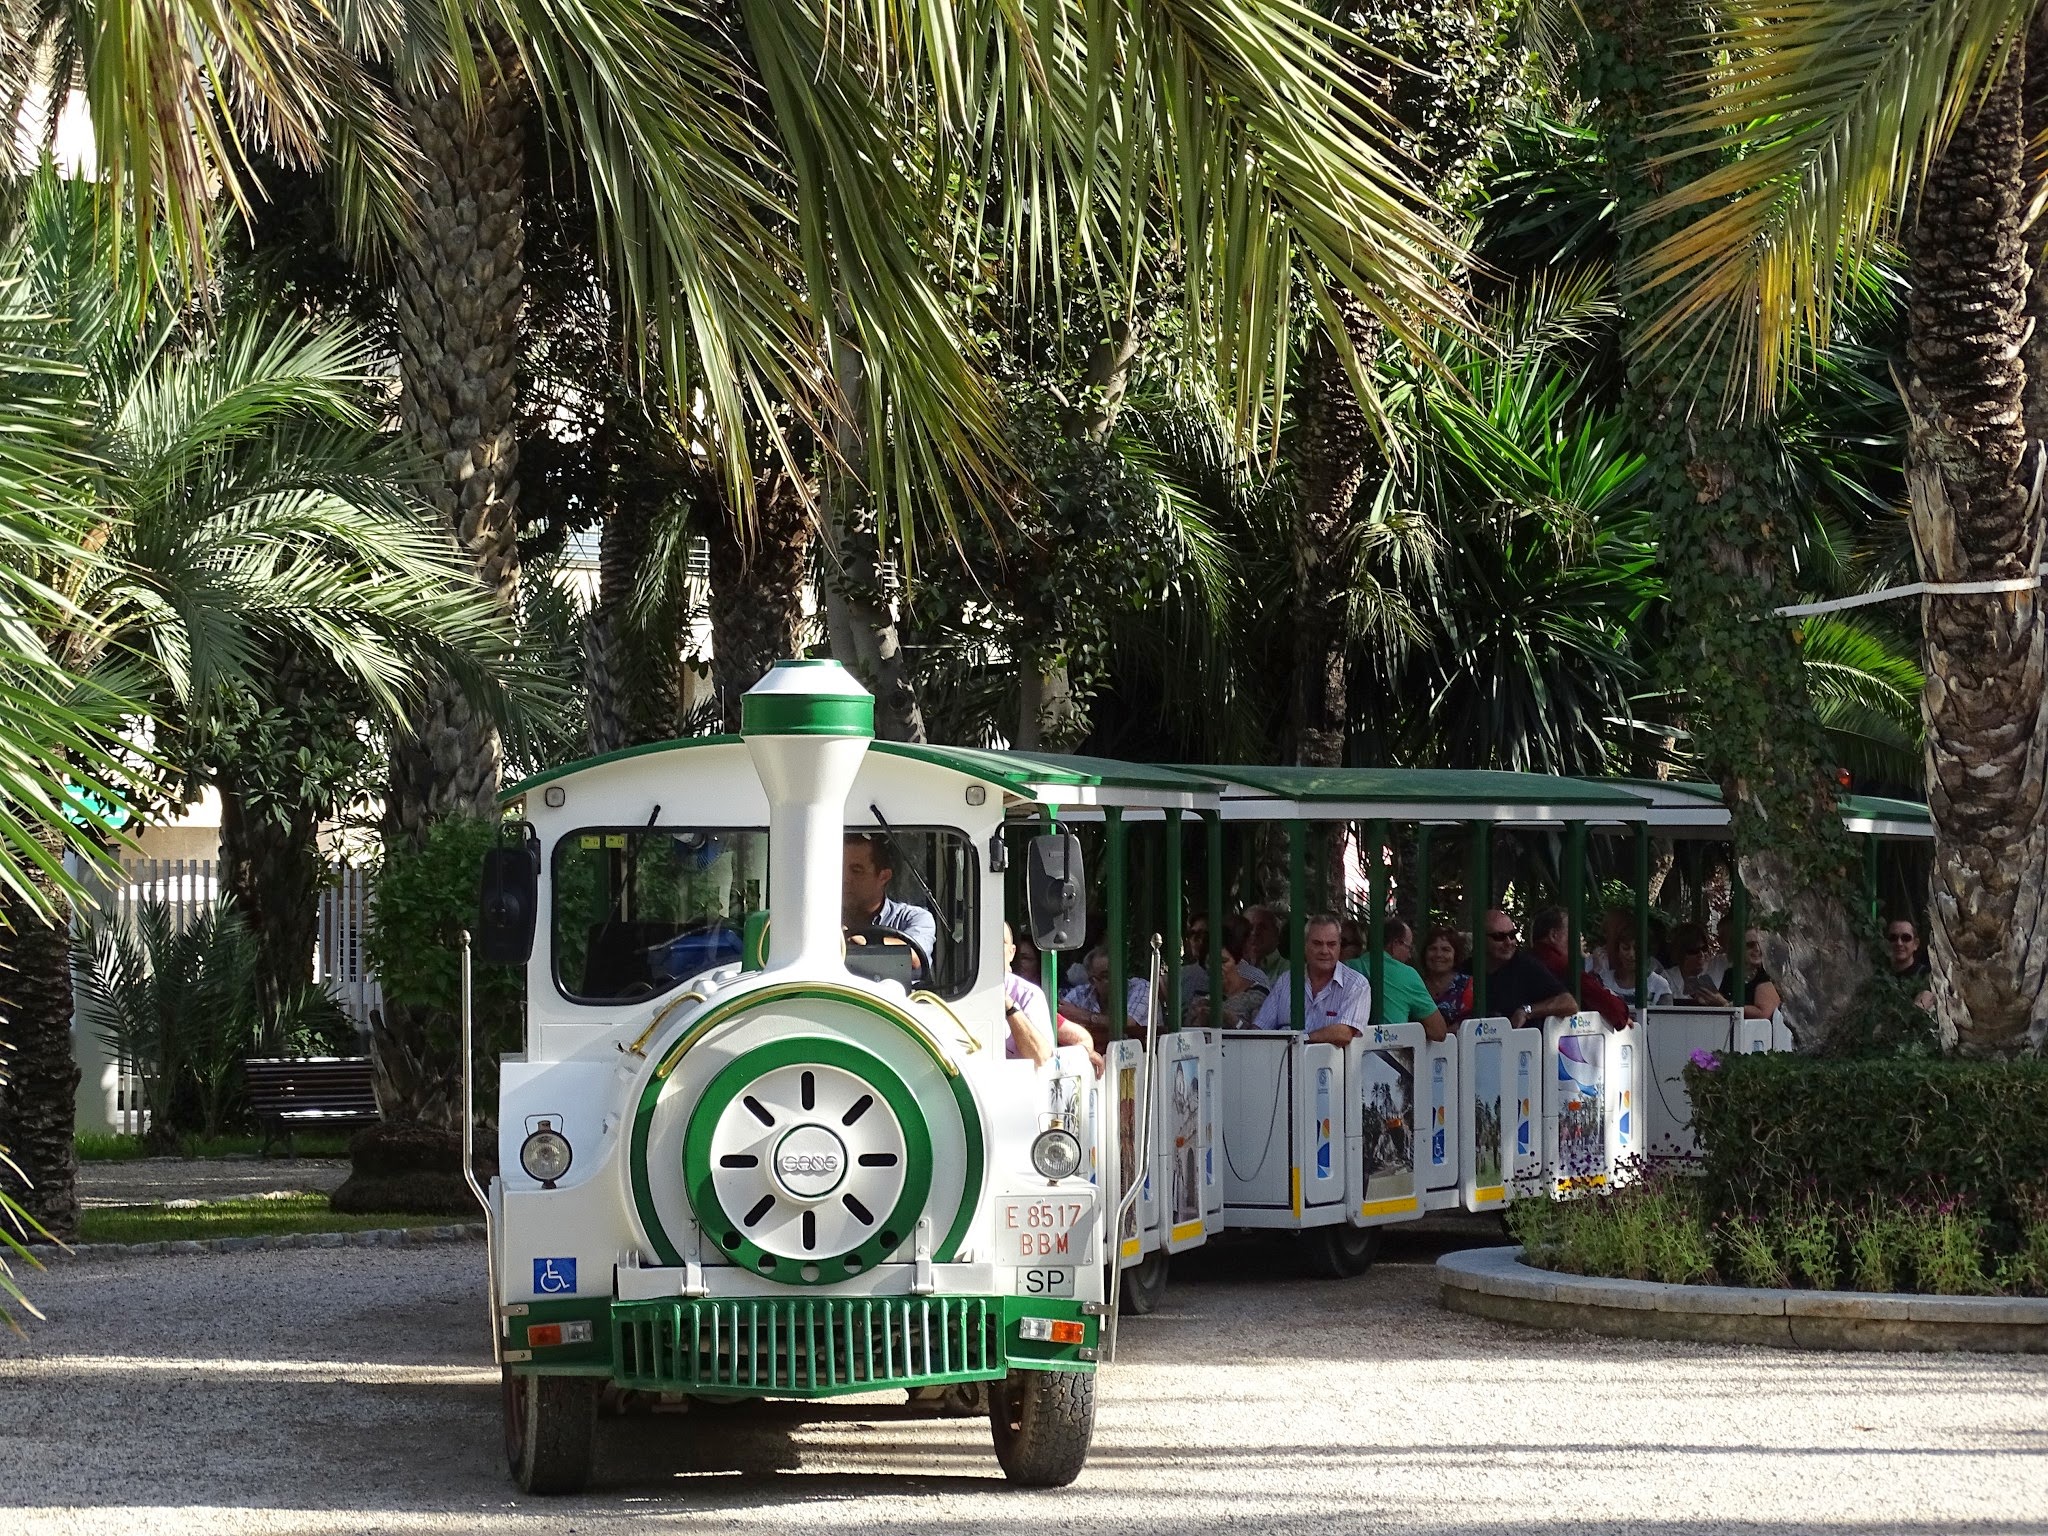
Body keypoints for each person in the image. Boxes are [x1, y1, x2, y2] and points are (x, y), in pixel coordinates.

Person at [1250, 913, 1370, 1044]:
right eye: (1317, 944)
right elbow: (1260, 1027)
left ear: (1339, 946)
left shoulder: (1356, 985)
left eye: (1331, 944)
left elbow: (1344, 1033)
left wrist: (1300, 1041)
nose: (1324, 951)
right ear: (1305, 945)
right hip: (1282, 1062)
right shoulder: (1286, 981)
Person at [1003, 923, 1100, 1072]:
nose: (993, 949)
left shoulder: (1028, 995)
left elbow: (1042, 1058)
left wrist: (1009, 1006)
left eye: (1000, 943)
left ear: (1011, 952)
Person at [1345, 917, 1450, 1042]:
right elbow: (1438, 1031)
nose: (1409, 955)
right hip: (1391, 1053)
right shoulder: (1407, 974)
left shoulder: (1347, 967)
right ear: (1395, 944)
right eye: (1409, 948)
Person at [842, 833, 937, 965]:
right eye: (840, 869)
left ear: (884, 876)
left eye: (856, 871)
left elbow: (915, 955)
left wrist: (863, 942)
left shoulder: (913, 918)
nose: (844, 879)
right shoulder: (818, 919)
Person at [1528, 906, 1628, 1028]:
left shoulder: (1528, 958)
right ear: (1554, 935)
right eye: (1574, 932)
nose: (1580, 938)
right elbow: (1614, 1010)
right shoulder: (1561, 966)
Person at [1482, 908, 1579, 1029]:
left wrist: (1527, 1011)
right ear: (1481, 939)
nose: (1508, 942)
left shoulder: (1526, 965)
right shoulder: (1467, 969)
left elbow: (1569, 1003)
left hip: (1523, 1044)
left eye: (1512, 935)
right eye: (1499, 937)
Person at [1185, 914, 1271, 1028]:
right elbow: (1187, 1035)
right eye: (1211, 963)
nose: (1217, 968)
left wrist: (1231, 1020)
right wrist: (1199, 1021)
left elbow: (1262, 1037)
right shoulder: (1200, 997)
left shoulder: (1257, 995)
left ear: (1237, 961)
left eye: (1223, 962)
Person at [1059, 947, 1154, 1048]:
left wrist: (1084, 1016)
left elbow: (1128, 1023)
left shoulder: (1142, 988)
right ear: (1092, 980)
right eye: (1107, 975)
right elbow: (1060, 1012)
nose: (1116, 978)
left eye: (1117, 972)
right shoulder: (1081, 993)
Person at [1592, 910, 1672, 1012]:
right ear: (1617, 949)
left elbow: (1666, 1021)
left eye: (1637, 949)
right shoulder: (1603, 980)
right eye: (1626, 948)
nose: (1631, 954)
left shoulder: (1659, 986)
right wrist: (1595, 972)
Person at [1660, 922, 1733, 1006]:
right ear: (1680, 953)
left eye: (1704, 948)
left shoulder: (1719, 964)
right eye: (1693, 951)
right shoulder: (1666, 978)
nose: (1701, 955)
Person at [1417, 925, 1474, 1029]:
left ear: (1455, 955)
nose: (1438, 954)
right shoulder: (1416, 984)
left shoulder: (1468, 985)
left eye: (1446, 949)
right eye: (1433, 949)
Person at [1737, 928, 1783, 1020]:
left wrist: (1726, 1004)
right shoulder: (1730, 974)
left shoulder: (1769, 975)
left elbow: (1764, 1013)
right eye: (1751, 945)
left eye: (1761, 944)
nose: (1757, 949)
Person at [1244, 904, 1286, 978]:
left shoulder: (1289, 971)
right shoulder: (1231, 968)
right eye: (1249, 927)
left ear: (1276, 933)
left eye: (1262, 927)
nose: (1254, 932)